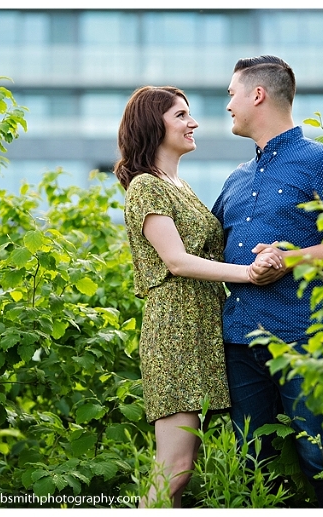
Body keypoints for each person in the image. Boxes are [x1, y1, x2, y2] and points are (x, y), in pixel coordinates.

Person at [211, 55, 323, 508]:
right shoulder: (236, 179)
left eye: (231, 94)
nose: (228, 105)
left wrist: (291, 259)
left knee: (321, 459)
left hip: (304, 340)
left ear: (256, 95)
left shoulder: (321, 161)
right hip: (240, 342)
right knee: (250, 464)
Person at [113, 86, 279, 508]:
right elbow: (177, 262)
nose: (194, 123)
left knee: (187, 463)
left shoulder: (179, 185)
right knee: (176, 466)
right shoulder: (147, 187)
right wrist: (249, 274)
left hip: (202, 328)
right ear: (155, 125)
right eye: (181, 115)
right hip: (175, 332)